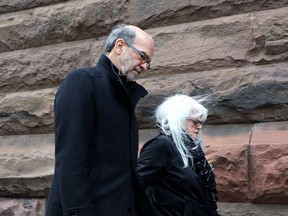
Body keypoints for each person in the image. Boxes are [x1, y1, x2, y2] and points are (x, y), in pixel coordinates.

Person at [45, 24, 155, 216]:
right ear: (120, 46)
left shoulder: (125, 97)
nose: (145, 67)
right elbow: (70, 160)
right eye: (142, 56)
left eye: (148, 63)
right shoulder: (82, 82)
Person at [137, 94, 221, 216]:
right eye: (195, 122)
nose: (199, 126)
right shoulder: (161, 145)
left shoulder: (192, 150)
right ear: (177, 119)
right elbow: (136, 185)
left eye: (201, 122)